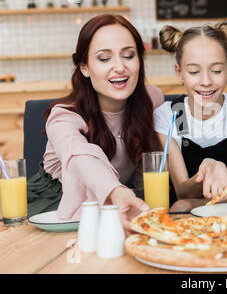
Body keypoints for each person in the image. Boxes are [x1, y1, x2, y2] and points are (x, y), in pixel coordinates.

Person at [27, 14, 164, 231]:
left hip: (113, 202)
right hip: (55, 203)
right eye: (104, 58)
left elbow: (145, 162)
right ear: (84, 67)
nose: (119, 67)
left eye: (129, 55)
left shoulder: (152, 99)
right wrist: (116, 191)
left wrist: (144, 203)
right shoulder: (63, 116)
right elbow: (79, 155)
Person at [155, 20, 227, 211]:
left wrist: (187, 205)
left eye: (216, 71)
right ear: (179, 73)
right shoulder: (167, 115)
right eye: (194, 71)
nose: (206, 81)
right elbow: (182, 191)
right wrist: (208, 169)